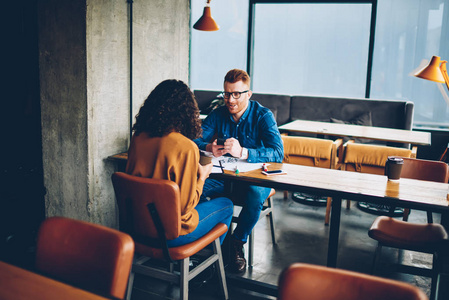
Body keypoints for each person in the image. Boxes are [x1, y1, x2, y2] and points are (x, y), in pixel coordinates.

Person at [194, 69, 284, 272]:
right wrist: (209, 147)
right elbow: (194, 138)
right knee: (194, 186)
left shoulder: (263, 116)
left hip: (254, 180)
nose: (230, 99)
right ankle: (212, 239)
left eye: (236, 94)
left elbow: (278, 153)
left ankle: (235, 243)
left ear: (248, 94)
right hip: (223, 178)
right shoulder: (218, 113)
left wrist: (243, 152)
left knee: (254, 193)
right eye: (226, 93)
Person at [126, 79, 233, 247]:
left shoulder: (138, 138)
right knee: (226, 204)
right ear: (186, 112)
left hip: (137, 226)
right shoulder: (186, 147)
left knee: (205, 201)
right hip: (173, 234)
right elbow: (185, 206)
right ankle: (210, 266)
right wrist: (202, 177)